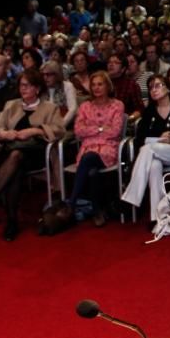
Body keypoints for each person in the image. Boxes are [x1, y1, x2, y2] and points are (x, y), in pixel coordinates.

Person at [0, 69, 65, 241]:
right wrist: (5, 134)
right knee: (15, 165)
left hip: (36, 153)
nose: (23, 89)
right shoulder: (11, 105)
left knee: (17, 157)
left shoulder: (49, 107)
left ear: (37, 88)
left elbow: (60, 130)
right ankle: (10, 218)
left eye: (27, 85)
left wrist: (35, 131)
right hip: (10, 150)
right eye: (21, 85)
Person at [121, 74, 170, 225]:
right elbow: (140, 139)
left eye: (158, 85)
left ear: (167, 88)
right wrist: (159, 139)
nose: (153, 90)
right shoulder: (149, 112)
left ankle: (131, 197)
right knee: (154, 165)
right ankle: (157, 216)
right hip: (153, 153)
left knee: (148, 149)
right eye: (150, 88)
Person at [68, 71, 124, 227]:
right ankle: (97, 210)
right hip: (87, 147)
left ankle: (71, 203)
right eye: (93, 85)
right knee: (92, 170)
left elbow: (115, 131)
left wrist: (91, 129)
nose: (97, 88)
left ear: (108, 86)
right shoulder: (85, 106)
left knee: (89, 158)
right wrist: (100, 128)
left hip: (108, 149)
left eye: (100, 84)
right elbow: (78, 130)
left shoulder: (117, 105)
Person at [41, 60, 78, 126]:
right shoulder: (41, 88)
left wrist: (60, 126)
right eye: (43, 75)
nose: (45, 77)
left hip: (65, 125)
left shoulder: (67, 86)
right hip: (46, 126)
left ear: (57, 74)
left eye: (48, 74)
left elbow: (72, 109)